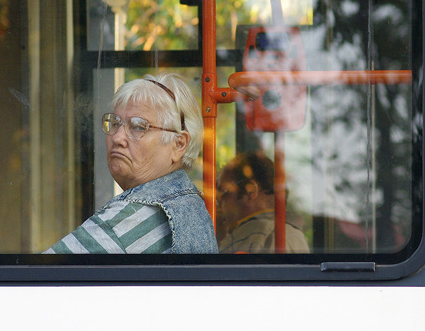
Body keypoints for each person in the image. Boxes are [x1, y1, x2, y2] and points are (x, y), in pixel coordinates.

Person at [45, 73, 217, 254]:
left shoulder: (128, 221)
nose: (117, 137)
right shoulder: (191, 205)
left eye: (138, 127)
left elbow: (41, 278)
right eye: (115, 123)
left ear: (178, 144)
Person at [216, 151, 309, 253]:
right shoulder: (293, 234)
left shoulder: (256, 233)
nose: (217, 200)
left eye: (224, 191)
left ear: (250, 191)